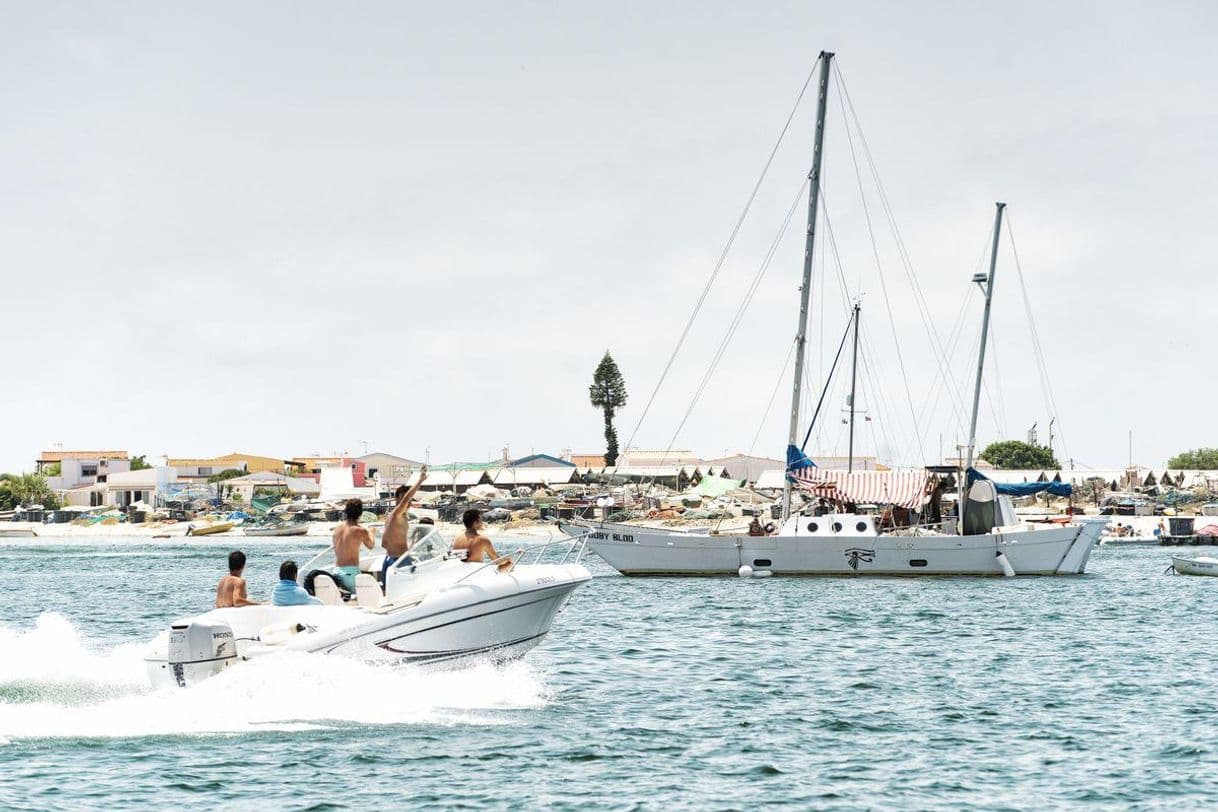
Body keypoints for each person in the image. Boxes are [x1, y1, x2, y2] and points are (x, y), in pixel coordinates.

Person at [381, 465, 428, 583]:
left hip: (389, 559)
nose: (408, 501)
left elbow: (383, 543)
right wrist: (420, 480)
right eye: (405, 499)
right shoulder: (397, 514)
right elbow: (405, 501)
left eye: (410, 499)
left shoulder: (390, 517)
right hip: (399, 561)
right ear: (397, 499)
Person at [331, 498, 373, 591]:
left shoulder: (337, 529)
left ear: (346, 511)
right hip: (350, 572)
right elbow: (370, 545)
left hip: (336, 571)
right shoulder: (360, 530)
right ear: (360, 513)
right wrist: (371, 532)